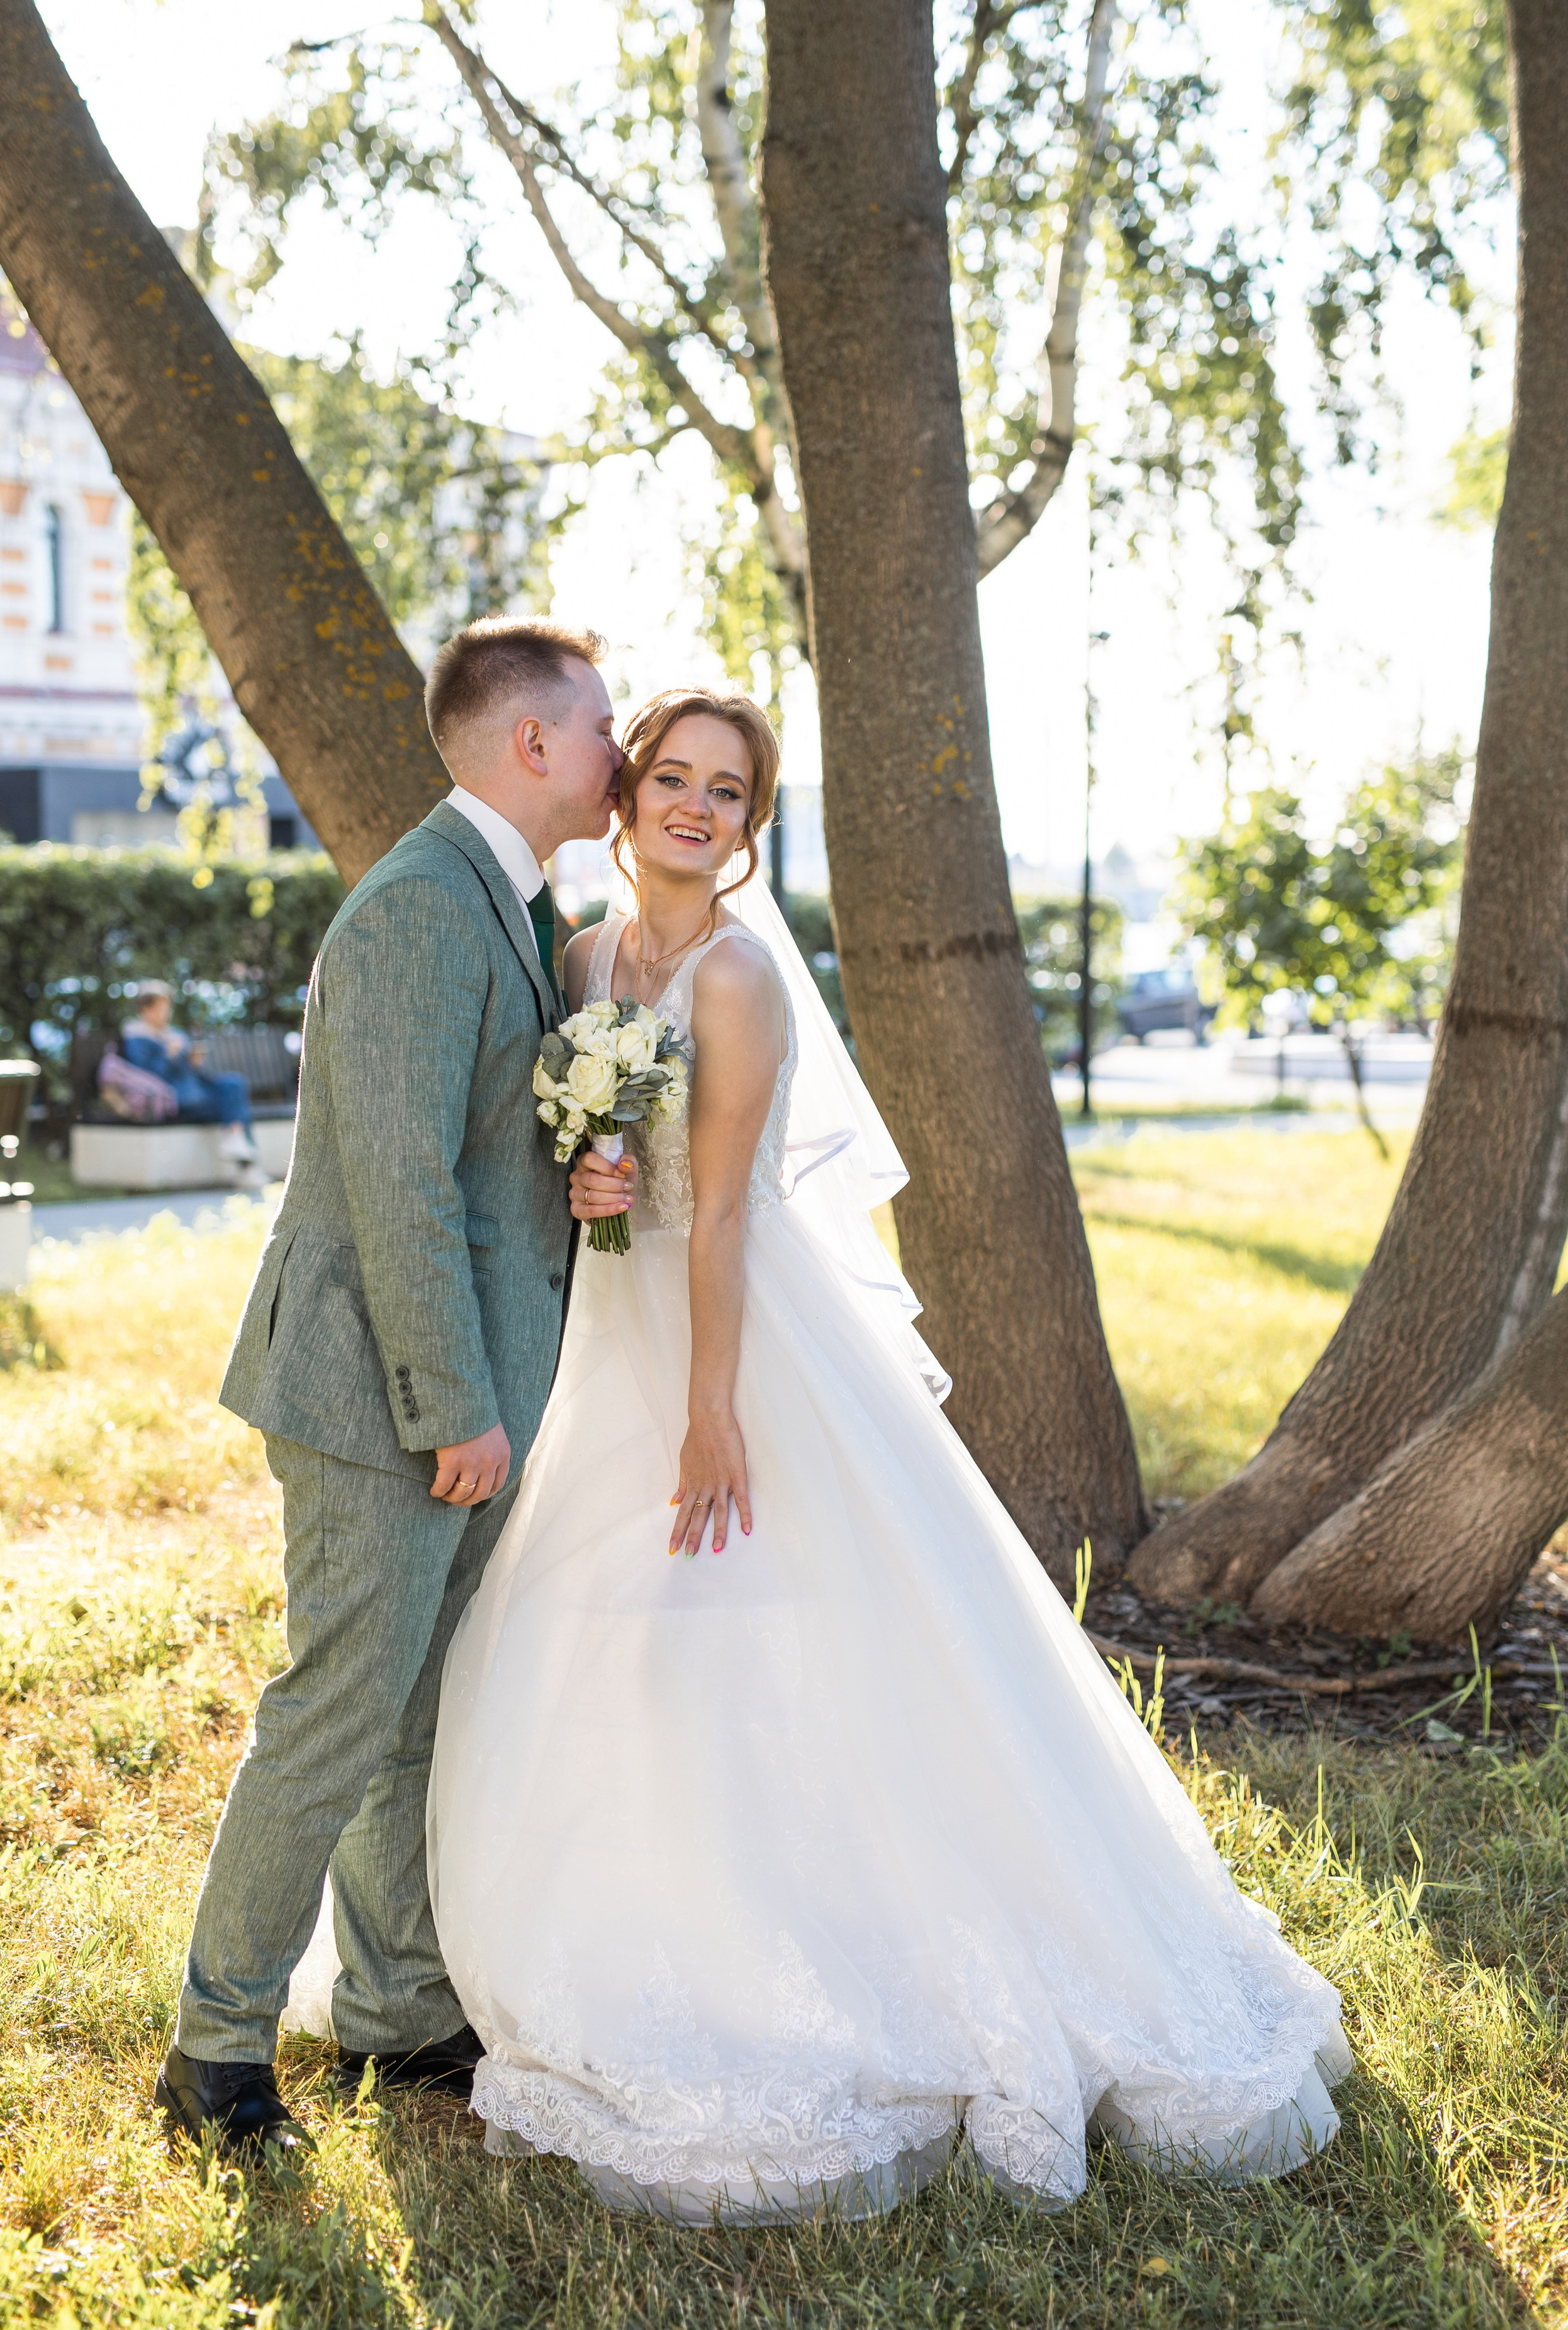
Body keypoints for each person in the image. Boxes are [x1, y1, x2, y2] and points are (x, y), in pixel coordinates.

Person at [405, 685, 1351, 2222]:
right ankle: (648, 1921)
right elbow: (620, 1184)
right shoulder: (583, 960)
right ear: (628, 790)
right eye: (673, 780)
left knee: (749, 1615)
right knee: (599, 1633)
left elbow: (717, 1214)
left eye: (728, 792)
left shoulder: (734, 984)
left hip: (740, 1339)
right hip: (619, 1328)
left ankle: (823, 1939)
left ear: (749, 824)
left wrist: (712, 1412)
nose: (695, 809)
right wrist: (591, 1180)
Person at [154, 617, 623, 2153]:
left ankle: (394, 2013)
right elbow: (399, 1184)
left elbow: (484, 1159)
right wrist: (452, 1405)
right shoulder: (422, 909)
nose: (619, 757)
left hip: (449, 1384)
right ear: (532, 743)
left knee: (411, 1713)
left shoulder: (502, 900)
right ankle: (216, 2048)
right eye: (603, 728)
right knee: (336, 1711)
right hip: (380, 1392)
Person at [121, 981, 262, 1187]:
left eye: (167, 1008)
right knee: (235, 1109)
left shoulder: (174, 1033)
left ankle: (236, 1140)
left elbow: (190, 1070)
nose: (165, 1013)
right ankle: (247, 1167)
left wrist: (192, 1060)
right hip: (177, 1099)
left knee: (234, 1085)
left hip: (197, 1090)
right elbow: (147, 1078)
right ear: (145, 1010)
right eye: (160, 1009)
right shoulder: (136, 1039)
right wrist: (169, 1056)